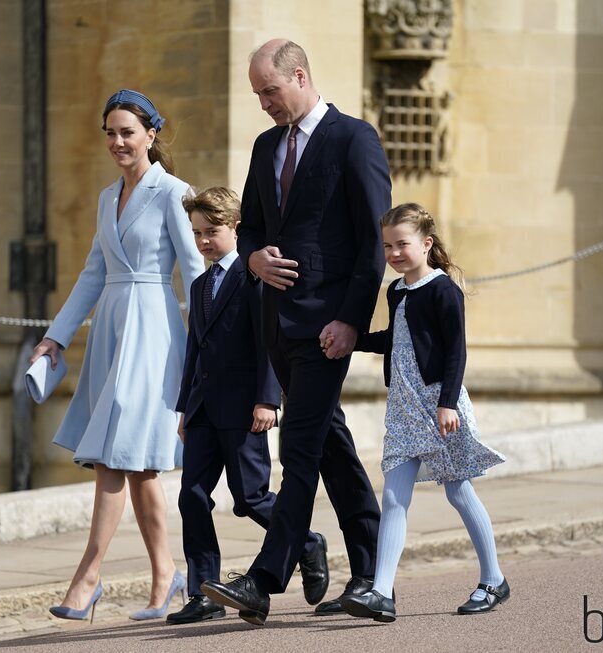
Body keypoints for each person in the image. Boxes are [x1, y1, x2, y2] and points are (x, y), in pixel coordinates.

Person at [200, 39, 388, 625]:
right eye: (257, 93)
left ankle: (263, 578)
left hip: (328, 327)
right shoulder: (264, 147)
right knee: (330, 444)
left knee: (300, 448)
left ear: (299, 76)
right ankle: (372, 570)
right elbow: (251, 228)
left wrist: (351, 320)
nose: (262, 104)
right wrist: (251, 260)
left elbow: (372, 241)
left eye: (269, 91)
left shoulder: (354, 139)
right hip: (277, 327)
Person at [31, 89, 205, 622]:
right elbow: (93, 272)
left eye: (127, 131)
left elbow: (196, 272)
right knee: (139, 466)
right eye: (110, 132)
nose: (117, 141)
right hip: (111, 328)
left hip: (153, 332)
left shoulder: (175, 193)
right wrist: (55, 337)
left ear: (151, 134)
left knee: (112, 455)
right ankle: (165, 576)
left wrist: (210, 345)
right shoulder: (108, 197)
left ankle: (87, 578)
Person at [335, 203, 509, 623]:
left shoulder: (443, 289)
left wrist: (447, 403)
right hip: (403, 407)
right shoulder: (396, 292)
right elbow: (397, 341)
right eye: (388, 246)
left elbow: (456, 350)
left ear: (426, 244)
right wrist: (352, 338)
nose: (394, 254)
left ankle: (493, 580)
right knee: (393, 497)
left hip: (437, 405)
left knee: (458, 492)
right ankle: (381, 593)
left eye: (403, 245)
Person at [167, 187, 327, 625]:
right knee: (192, 498)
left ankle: (307, 542)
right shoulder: (200, 285)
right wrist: (184, 409)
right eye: (196, 232)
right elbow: (193, 352)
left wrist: (267, 399)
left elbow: (268, 344)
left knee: (251, 498)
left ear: (236, 229)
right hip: (202, 411)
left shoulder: (255, 280)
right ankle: (205, 593)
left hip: (244, 409)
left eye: (211, 231)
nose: (202, 241)